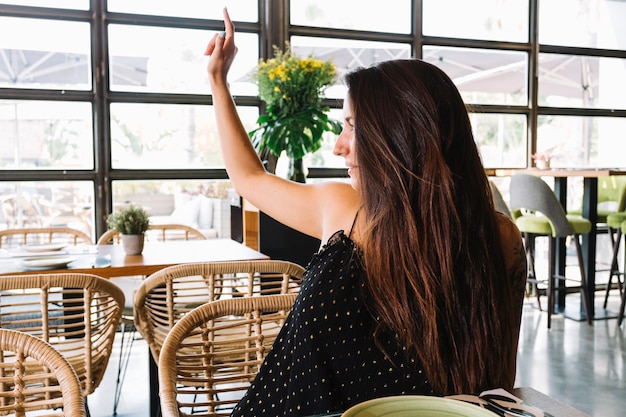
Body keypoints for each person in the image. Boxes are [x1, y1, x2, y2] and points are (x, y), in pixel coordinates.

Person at [205, 8, 527, 416]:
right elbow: (249, 178)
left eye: (353, 126)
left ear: (399, 137)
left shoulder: (496, 239)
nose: (339, 145)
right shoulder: (342, 208)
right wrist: (218, 81)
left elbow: (496, 384)